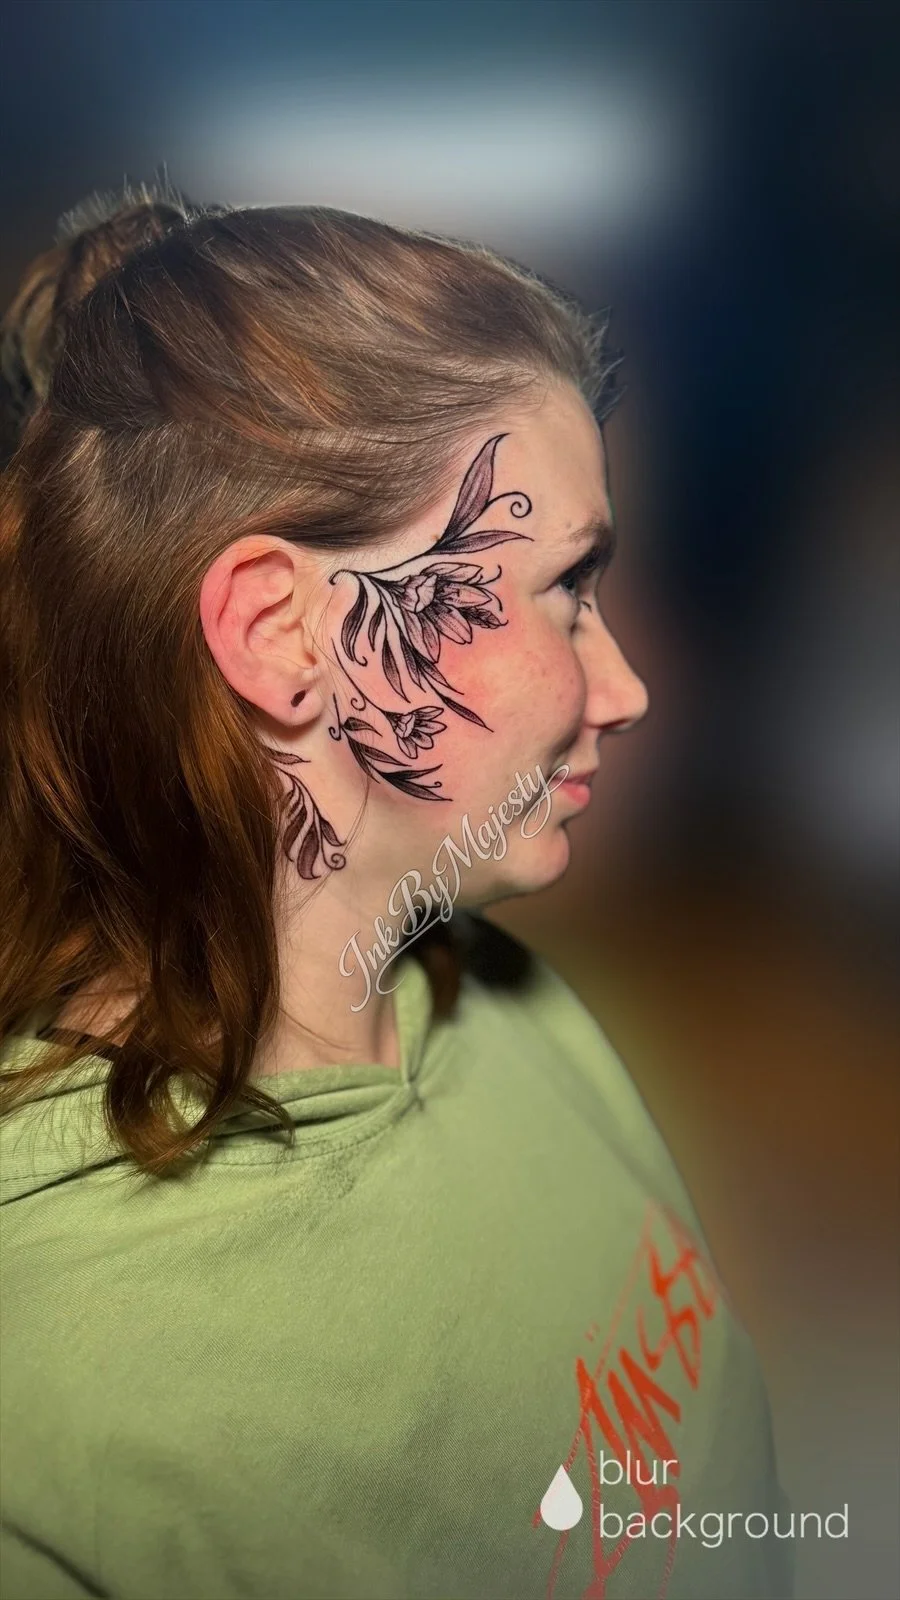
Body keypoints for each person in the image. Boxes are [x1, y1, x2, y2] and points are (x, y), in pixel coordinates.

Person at [0, 183, 794, 1600]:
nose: (626, 686)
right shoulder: (48, 1399)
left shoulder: (512, 999)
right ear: (281, 631)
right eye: (564, 586)